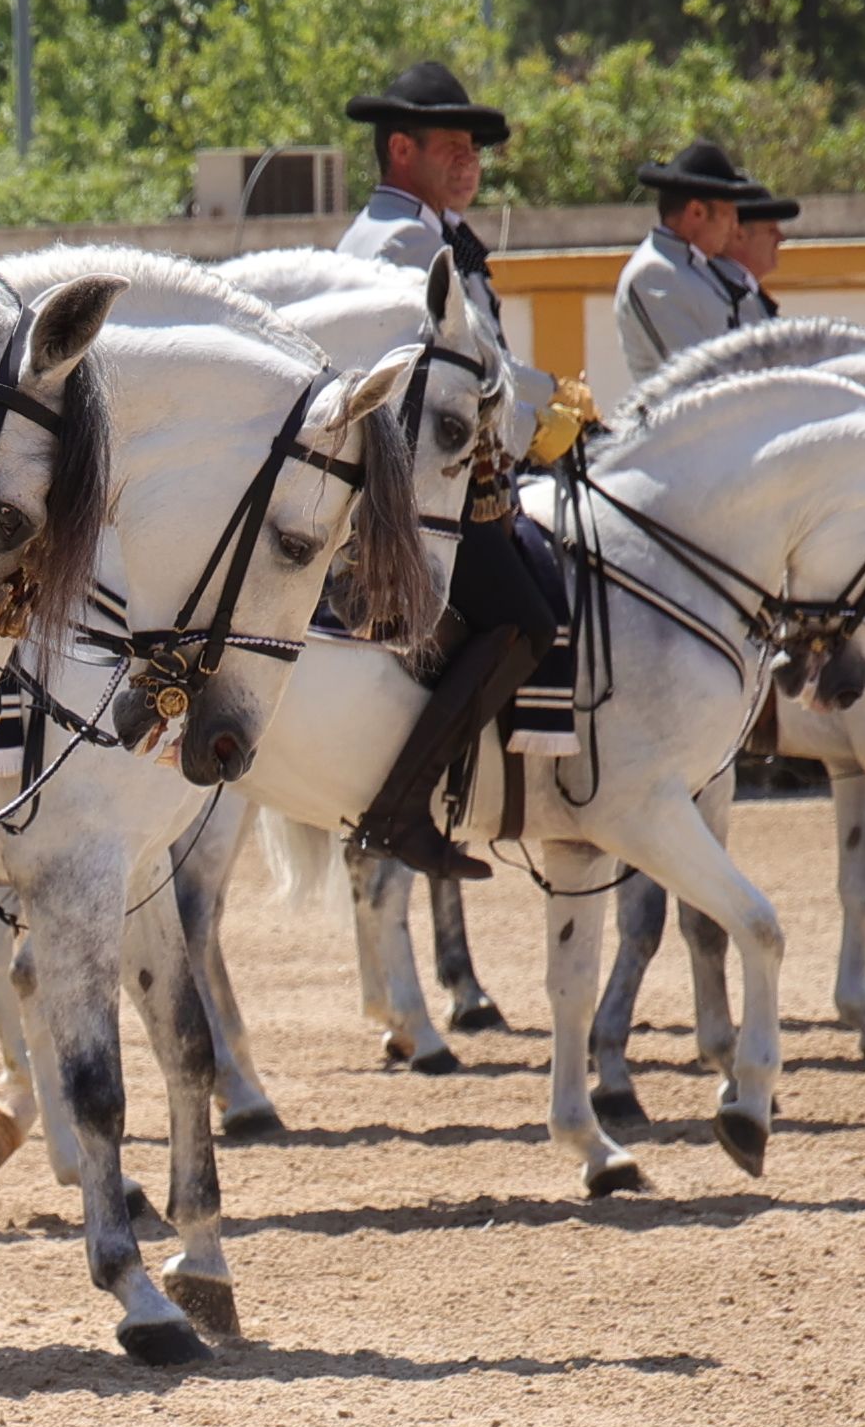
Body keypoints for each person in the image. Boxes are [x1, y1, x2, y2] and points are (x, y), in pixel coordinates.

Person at [330, 59, 568, 880]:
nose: (471, 162)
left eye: (475, 149)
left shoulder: (422, 233)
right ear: (402, 149)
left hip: (437, 466)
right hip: (417, 486)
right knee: (525, 618)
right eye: (454, 146)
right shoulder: (402, 243)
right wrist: (541, 412)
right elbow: (465, 370)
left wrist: (550, 398)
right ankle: (402, 806)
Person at [601, 140, 780, 381]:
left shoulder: (697, 268)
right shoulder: (655, 273)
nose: (734, 226)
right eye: (728, 214)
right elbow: (693, 376)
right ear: (697, 212)